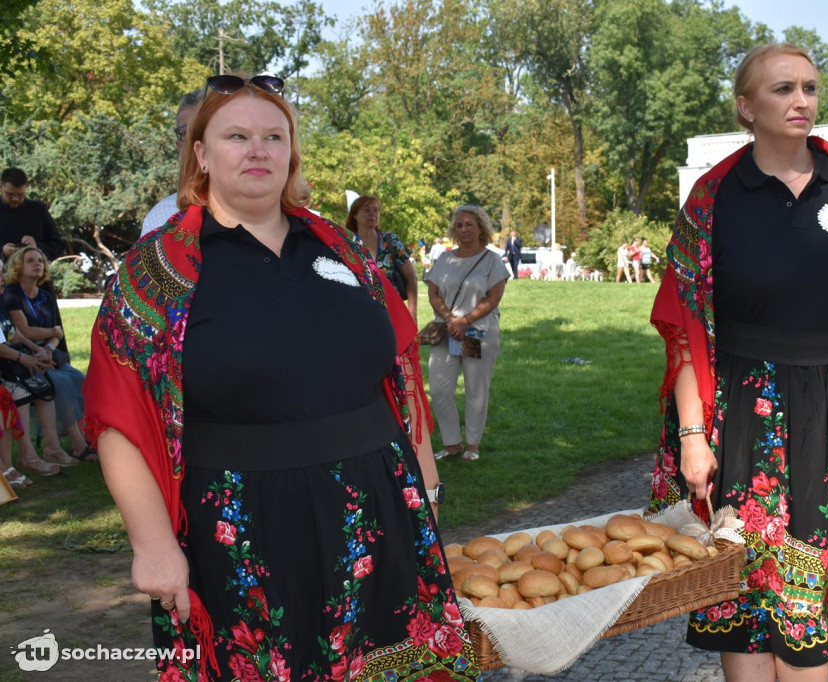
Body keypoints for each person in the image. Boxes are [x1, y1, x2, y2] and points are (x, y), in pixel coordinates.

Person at [82, 74, 479, 681]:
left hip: (378, 508)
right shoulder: (157, 271)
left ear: (292, 152)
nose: (258, 150)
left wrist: (425, 484)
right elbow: (119, 416)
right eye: (236, 135)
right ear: (202, 153)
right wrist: (153, 546)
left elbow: (397, 367)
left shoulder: (342, 250)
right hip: (243, 526)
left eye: (274, 136)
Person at [648, 44, 828, 681]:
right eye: (782, 90)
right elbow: (683, 328)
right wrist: (693, 436)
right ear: (746, 108)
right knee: (740, 589)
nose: (800, 100)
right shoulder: (712, 197)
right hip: (737, 410)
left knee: (813, 600)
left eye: (808, 87)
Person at [425, 206, 509, 462]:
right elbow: (433, 293)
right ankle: (451, 444)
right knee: (439, 390)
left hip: (476, 332)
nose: (463, 230)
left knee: (475, 389)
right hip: (446, 330)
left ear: (481, 228)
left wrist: (465, 320)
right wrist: (452, 319)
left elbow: (493, 298)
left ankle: (472, 446)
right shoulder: (445, 260)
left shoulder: (492, 261)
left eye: (469, 224)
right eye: (459, 225)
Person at [4, 247, 93, 461]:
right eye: (30, 260)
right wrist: (51, 336)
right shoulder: (11, 294)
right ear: (18, 266)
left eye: (41, 261)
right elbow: (24, 331)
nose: (38, 264)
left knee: (81, 380)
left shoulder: (45, 295)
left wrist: (50, 347)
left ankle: (90, 436)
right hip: (24, 355)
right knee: (60, 383)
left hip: (47, 353)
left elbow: (57, 333)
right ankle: (79, 445)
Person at [140, 89, 204, 238]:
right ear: (179, 146)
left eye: (202, 130)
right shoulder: (160, 218)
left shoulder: (260, 209)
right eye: (187, 134)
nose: (197, 143)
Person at [345, 195, 418, 321]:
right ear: (354, 215)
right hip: (356, 316)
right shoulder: (346, 245)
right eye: (367, 210)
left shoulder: (390, 241)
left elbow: (411, 277)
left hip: (391, 316)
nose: (372, 214)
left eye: (376, 210)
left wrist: (412, 313)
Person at [0, 168, 66, 262]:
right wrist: (2, 252)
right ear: (1, 188)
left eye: (20, 195)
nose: (15, 199)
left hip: (33, 274)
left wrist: (36, 248)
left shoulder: (38, 210)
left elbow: (58, 245)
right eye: (10, 194)